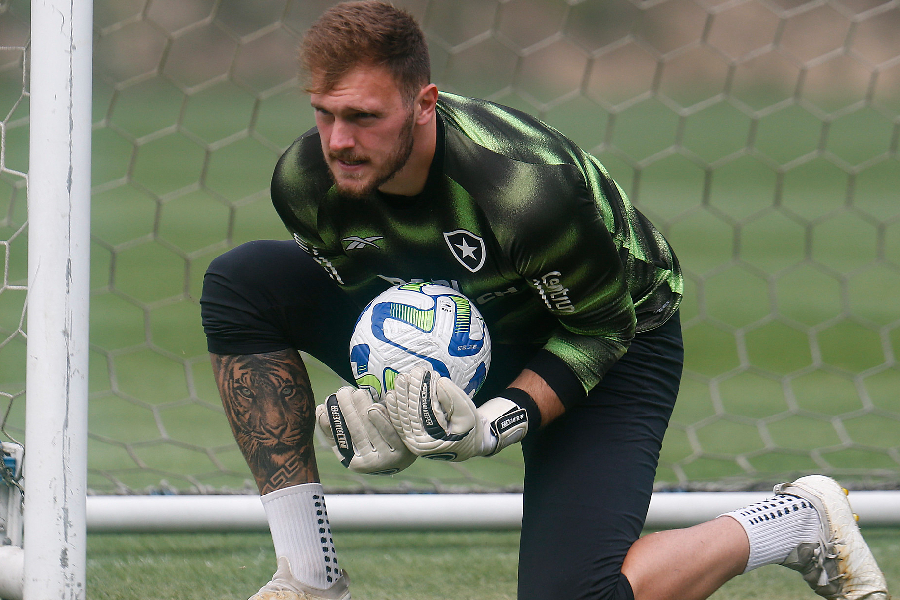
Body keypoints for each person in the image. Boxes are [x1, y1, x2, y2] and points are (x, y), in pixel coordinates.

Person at [199, 2, 891, 600]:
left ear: (425, 103)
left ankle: (802, 521)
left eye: (363, 117)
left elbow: (599, 329)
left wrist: (486, 426)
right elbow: (376, 299)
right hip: (468, 319)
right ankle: (307, 575)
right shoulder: (305, 181)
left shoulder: (525, 189)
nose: (339, 142)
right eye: (323, 114)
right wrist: (389, 407)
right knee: (243, 282)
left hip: (609, 339)